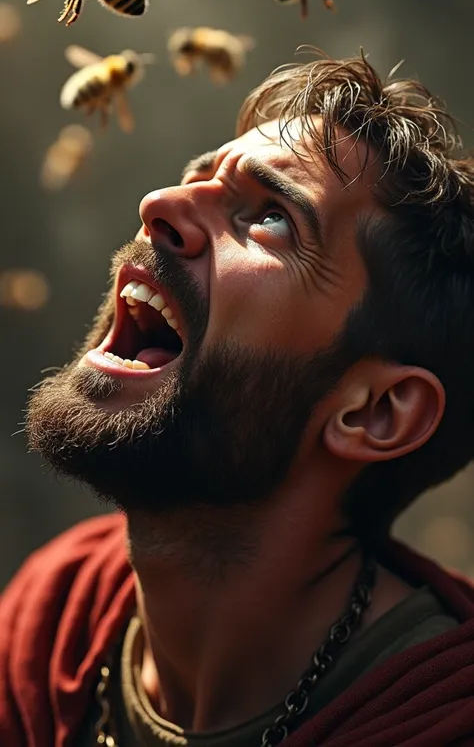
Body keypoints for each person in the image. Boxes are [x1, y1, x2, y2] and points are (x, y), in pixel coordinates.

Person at [2, 52, 474, 747]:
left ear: (376, 412)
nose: (158, 204)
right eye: (198, 178)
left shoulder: (438, 725)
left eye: (272, 219)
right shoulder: (54, 622)